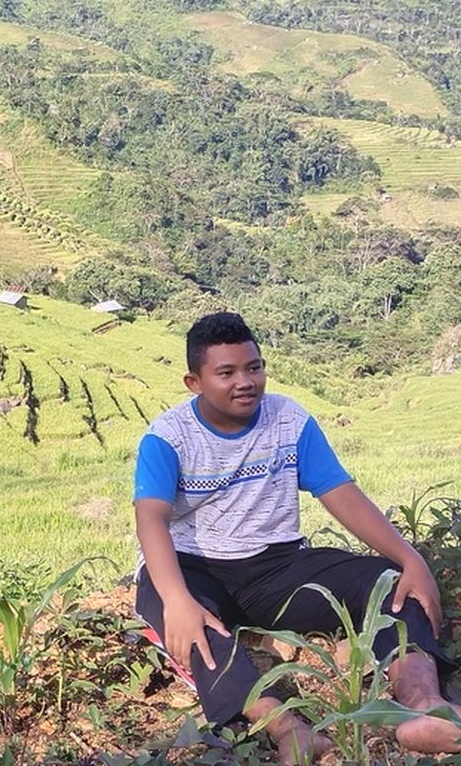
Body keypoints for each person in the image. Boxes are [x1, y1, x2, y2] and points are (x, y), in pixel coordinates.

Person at [133, 311, 460, 764]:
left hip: (277, 568)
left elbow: (340, 493)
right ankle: (289, 730)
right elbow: (150, 518)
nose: (245, 381)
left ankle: (422, 704)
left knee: (389, 582)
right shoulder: (168, 438)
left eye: (254, 367)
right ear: (195, 382)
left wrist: (410, 560)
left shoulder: (289, 419)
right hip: (194, 568)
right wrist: (176, 598)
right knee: (196, 628)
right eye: (226, 373)